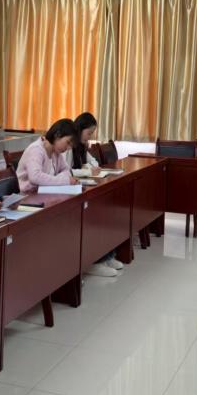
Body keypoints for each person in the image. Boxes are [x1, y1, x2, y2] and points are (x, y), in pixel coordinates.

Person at [62, 113, 124, 277]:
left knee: (107, 213)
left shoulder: (82, 145)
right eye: (88, 133)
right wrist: (86, 170)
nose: (89, 137)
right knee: (97, 217)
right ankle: (94, 262)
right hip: (71, 194)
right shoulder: (68, 146)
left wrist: (91, 167)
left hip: (82, 188)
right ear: (79, 129)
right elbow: (66, 171)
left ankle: (107, 256)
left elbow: (94, 162)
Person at [17, 119, 80, 193]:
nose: (68, 148)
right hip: (26, 195)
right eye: (68, 142)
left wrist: (58, 180)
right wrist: (64, 181)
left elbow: (67, 170)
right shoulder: (36, 149)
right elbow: (35, 177)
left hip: (42, 194)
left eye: (71, 146)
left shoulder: (56, 152)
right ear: (57, 135)